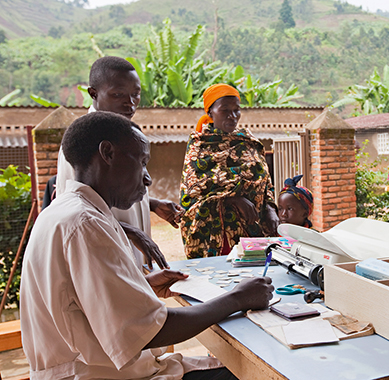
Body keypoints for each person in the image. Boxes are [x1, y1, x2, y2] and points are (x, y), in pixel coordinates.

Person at [20, 111, 274, 379]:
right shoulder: (85, 224)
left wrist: (142, 286)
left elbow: (83, 300)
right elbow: (148, 332)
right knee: (252, 372)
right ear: (107, 153)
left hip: (102, 368)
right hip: (97, 374)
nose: (147, 178)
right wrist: (239, 297)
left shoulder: (67, 211)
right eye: (141, 162)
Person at [56, 56, 183, 269]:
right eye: (118, 94)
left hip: (129, 254)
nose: (130, 102)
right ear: (93, 94)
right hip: (104, 254)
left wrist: (151, 204)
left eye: (135, 94)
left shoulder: (124, 135)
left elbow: (113, 190)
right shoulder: (84, 142)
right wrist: (128, 230)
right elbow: (75, 210)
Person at [180, 84, 279, 258]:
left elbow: (265, 179)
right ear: (210, 112)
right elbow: (193, 190)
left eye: (236, 110)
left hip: (255, 228)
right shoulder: (200, 145)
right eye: (225, 110)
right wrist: (234, 199)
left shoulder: (249, 141)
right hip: (218, 234)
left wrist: (271, 208)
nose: (232, 116)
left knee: (256, 278)